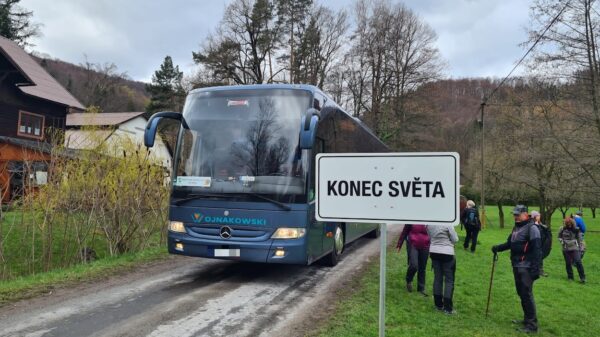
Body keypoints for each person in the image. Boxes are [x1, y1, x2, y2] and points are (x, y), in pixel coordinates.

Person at [492, 205, 542, 334]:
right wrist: (498, 248)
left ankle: (532, 325)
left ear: (526, 214)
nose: (515, 216)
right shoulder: (517, 227)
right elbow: (510, 243)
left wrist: (536, 268)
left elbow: (537, 249)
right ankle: (527, 320)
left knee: (526, 294)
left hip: (527, 266)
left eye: (518, 214)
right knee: (522, 294)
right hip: (516, 265)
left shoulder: (532, 228)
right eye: (514, 214)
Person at [427, 224, 459, 314]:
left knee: (437, 278)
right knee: (449, 280)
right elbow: (455, 239)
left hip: (434, 251)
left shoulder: (429, 224)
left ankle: (438, 305)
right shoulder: (448, 223)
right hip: (447, 253)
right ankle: (448, 308)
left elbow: (430, 237)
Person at [397, 224, 430, 296]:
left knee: (422, 268)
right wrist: (400, 243)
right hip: (413, 244)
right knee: (414, 265)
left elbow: (434, 232)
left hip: (426, 245)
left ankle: (421, 288)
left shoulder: (429, 219)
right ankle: (409, 280)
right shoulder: (412, 218)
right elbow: (405, 231)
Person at [558, 217, 586, 283]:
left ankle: (582, 278)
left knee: (578, 262)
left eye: (570, 223)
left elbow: (580, 239)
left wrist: (581, 248)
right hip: (565, 248)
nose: (569, 225)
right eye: (567, 223)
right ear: (565, 223)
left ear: (572, 223)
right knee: (568, 263)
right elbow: (559, 236)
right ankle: (570, 277)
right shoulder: (562, 229)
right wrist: (562, 241)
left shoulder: (576, 230)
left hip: (575, 248)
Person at [531, 210, 551, 277]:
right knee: (536, 257)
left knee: (540, 257)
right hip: (535, 243)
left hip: (541, 243)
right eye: (538, 216)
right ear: (535, 217)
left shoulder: (540, 224)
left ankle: (540, 271)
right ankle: (537, 270)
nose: (539, 217)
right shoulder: (532, 224)